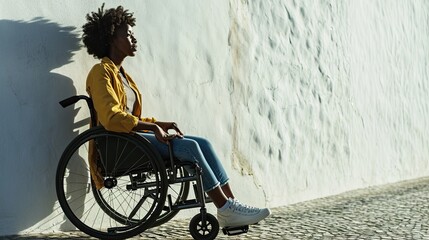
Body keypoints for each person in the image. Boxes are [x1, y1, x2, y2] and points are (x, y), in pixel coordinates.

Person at [82, 4, 270, 228]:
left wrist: (159, 123)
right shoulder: (100, 72)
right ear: (112, 38)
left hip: (133, 138)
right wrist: (152, 129)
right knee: (188, 147)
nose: (134, 39)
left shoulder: (122, 75)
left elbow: (128, 114)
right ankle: (225, 208)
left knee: (203, 143)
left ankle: (231, 203)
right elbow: (111, 118)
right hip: (119, 143)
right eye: (129, 34)